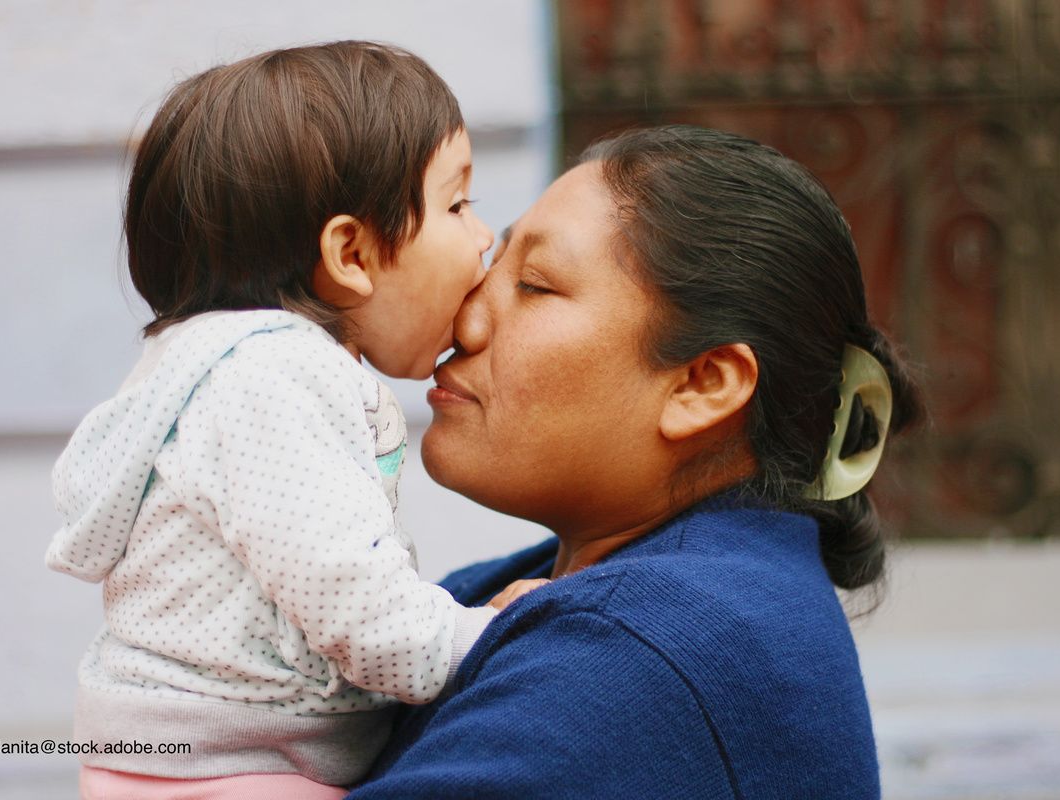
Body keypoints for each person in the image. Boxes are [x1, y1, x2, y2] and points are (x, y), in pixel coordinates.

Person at [349, 125, 922, 799]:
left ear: (702, 384)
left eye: (534, 285)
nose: (464, 319)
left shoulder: (644, 648)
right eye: (493, 262)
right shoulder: (531, 590)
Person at [44, 42, 545, 799]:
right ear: (349, 252)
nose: (483, 237)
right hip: (231, 767)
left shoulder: (235, 366)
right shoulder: (273, 378)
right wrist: (492, 636)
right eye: (456, 204)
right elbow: (357, 608)